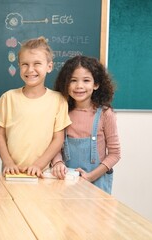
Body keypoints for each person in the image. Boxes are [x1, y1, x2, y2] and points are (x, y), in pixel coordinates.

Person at [0, 36, 71, 177]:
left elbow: (58, 139)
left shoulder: (58, 100)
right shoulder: (8, 97)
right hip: (12, 173)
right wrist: (8, 162)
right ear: (19, 66)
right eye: (25, 64)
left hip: (42, 174)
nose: (30, 69)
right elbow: (0, 135)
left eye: (37, 64)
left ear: (49, 66)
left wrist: (38, 165)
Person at [51, 55, 120, 194]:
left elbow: (115, 154)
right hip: (66, 183)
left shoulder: (106, 114)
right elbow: (54, 145)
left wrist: (90, 176)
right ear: (66, 84)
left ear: (96, 84)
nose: (79, 86)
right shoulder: (61, 111)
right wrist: (57, 162)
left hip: (96, 183)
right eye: (73, 80)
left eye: (86, 80)